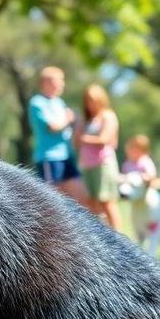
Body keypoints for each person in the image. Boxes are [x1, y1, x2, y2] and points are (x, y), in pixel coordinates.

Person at [28, 66, 89, 206]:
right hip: (50, 159)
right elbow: (52, 127)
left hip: (66, 157)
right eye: (60, 80)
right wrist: (68, 119)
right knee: (53, 204)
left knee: (81, 198)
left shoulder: (59, 102)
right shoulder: (37, 102)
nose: (63, 83)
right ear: (47, 82)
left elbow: (68, 126)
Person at [76, 84, 122, 229]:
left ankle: (120, 239)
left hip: (103, 164)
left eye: (93, 100)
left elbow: (105, 139)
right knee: (91, 203)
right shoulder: (87, 120)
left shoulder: (108, 115)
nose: (90, 104)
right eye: (88, 101)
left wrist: (84, 138)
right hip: (88, 165)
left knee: (107, 202)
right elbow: (76, 140)